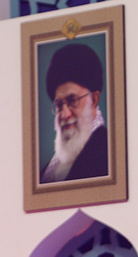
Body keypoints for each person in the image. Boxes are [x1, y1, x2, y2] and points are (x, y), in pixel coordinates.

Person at [40, 43, 109, 183]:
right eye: (59, 105)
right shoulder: (47, 171)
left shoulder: (109, 153)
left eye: (72, 100)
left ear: (93, 100)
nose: (65, 114)